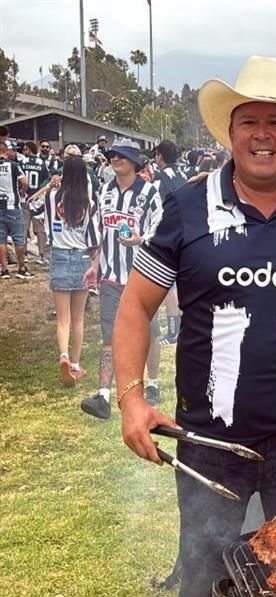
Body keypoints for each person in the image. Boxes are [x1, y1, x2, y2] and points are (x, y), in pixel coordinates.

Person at [113, 56, 276, 597]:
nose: (263, 135)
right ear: (230, 132)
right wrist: (129, 400)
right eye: (250, 121)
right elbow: (134, 308)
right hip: (207, 444)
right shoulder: (188, 209)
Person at [79, 138, 164, 420]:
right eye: (112, 156)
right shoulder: (105, 191)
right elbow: (103, 233)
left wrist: (140, 239)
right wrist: (94, 265)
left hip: (142, 276)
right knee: (109, 335)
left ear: (134, 162)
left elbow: (161, 230)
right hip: (110, 277)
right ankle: (103, 395)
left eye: (121, 156)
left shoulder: (149, 192)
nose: (115, 160)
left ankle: (152, 384)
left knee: (149, 332)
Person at [32, 154, 99, 386]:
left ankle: (63, 356)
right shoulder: (89, 202)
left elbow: (31, 205)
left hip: (59, 255)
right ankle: (76, 365)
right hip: (81, 258)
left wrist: (47, 188)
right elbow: (95, 237)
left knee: (63, 320)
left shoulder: (52, 197)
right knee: (78, 318)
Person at [152, 140, 188, 347]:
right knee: (180, 284)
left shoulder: (160, 179)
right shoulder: (184, 175)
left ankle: (173, 331)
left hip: (170, 234)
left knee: (169, 287)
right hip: (188, 233)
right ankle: (181, 326)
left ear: (160, 156)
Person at [0, 140, 32, 279]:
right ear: (6, 151)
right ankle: (21, 268)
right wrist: (22, 191)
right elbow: (25, 181)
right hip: (13, 206)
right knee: (18, 238)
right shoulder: (14, 166)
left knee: (1, 240)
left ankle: (4, 270)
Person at [19, 141, 51, 264]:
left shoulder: (22, 163)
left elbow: (20, 180)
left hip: (25, 199)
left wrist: (22, 192)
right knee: (40, 229)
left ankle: (25, 254)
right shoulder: (41, 163)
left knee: (24, 228)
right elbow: (46, 181)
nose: (23, 151)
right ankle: (41, 255)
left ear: (30, 149)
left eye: (25, 149)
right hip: (37, 199)